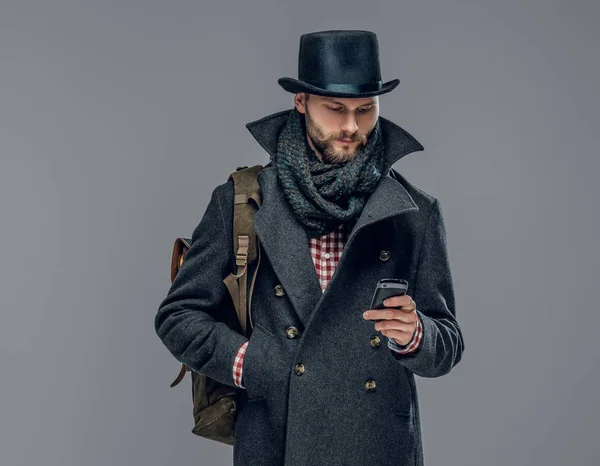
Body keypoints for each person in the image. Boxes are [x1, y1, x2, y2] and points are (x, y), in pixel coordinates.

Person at [155, 29, 465, 466]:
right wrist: (253, 364)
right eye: (335, 109)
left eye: (366, 109)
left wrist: (416, 334)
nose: (352, 126)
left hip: (377, 447)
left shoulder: (415, 213)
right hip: (276, 441)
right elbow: (177, 316)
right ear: (301, 102)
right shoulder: (243, 200)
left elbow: (448, 343)